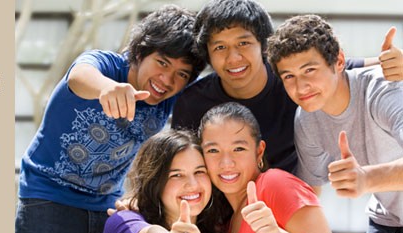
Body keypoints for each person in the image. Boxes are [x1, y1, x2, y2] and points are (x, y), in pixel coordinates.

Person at [15, 4, 206, 233]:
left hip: (108, 209)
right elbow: (81, 75)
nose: (167, 80)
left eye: (182, 74)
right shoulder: (105, 66)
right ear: (139, 52)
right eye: (163, 63)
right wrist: (107, 88)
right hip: (49, 202)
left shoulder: (170, 99)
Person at [171, 0, 403, 173]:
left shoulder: (293, 76)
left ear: (263, 45)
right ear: (208, 54)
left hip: (288, 198)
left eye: (244, 43)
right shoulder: (192, 104)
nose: (233, 58)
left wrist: (396, 62)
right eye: (220, 47)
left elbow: (349, 67)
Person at [267, 14, 403, 233]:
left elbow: (364, 179)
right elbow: (309, 193)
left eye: (309, 70)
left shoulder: (383, 91)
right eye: (289, 76)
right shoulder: (307, 119)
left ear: (339, 61)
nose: (300, 86)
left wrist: (366, 179)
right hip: (385, 219)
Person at [199, 102, 344, 233]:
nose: (226, 162)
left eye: (238, 149)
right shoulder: (225, 226)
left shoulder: (275, 185)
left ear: (259, 151)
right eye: (213, 151)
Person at [89, 129, 228, 233]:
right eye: (176, 175)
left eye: (199, 172)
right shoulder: (122, 224)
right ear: (155, 182)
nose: (193, 184)